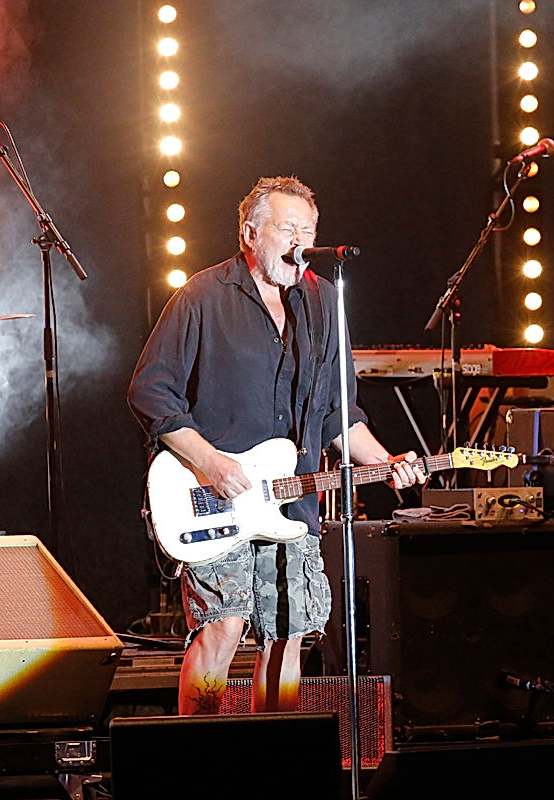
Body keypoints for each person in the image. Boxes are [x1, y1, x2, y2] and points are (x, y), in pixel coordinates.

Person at [128, 176, 427, 715]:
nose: (301, 242)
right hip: (212, 495)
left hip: (293, 501)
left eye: (308, 231)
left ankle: (275, 750)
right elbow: (150, 392)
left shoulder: (324, 301)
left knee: (289, 634)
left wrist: (387, 463)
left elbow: (338, 412)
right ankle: (196, 746)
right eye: (288, 229)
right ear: (250, 233)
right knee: (223, 628)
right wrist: (211, 462)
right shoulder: (203, 296)